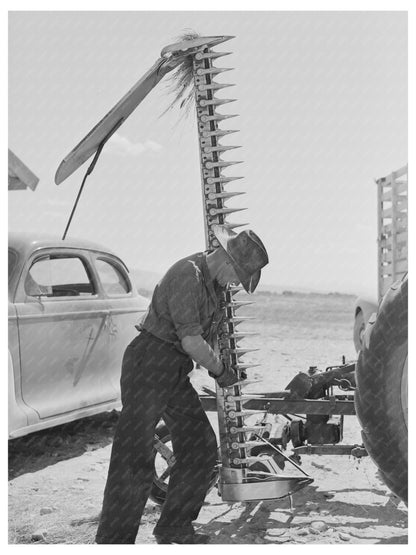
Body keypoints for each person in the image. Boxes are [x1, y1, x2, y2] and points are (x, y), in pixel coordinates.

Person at [95, 224, 269, 544]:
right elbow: (191, 340)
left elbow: (201, 341)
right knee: (134, 458)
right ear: (229, 262)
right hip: (149, 361)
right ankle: (113, 542)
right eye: (237, 278)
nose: (235, 285)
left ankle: (174, 526)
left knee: (201, 447)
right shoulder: (188, 275)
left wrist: (224, 364)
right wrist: (220, 371)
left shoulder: (213, 287)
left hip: (173, 368)